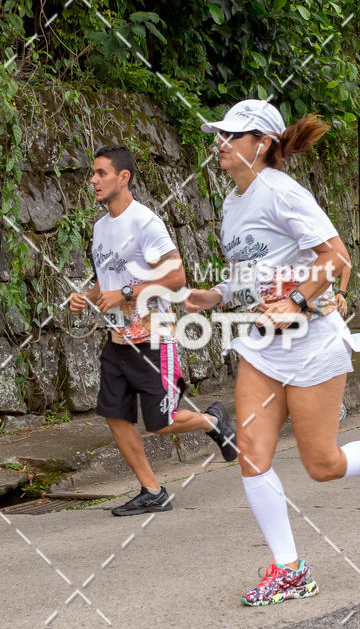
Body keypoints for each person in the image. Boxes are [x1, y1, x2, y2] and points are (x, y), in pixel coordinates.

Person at [185, 100, 360, 607]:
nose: (220, 143)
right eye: (218, 135)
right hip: (265, 347)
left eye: (232, 135)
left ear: (262, 143)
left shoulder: (281, 191)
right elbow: (254, 272)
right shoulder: (233, 202)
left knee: (323, 464)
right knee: (251, 452)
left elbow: (336, 258)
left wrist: (296, 301)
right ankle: (289, 569)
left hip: (312, 343)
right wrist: (218, 295)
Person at [69, 144, 236, 517]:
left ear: (123, 177)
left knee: (161, 423)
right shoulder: (99, 227)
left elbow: (176, 276)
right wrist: (85, 297)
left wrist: (126, 293)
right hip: (117, 340)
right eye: (92, 174)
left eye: (101, 173)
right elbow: (106, 282)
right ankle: (152, 490)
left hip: (154, 338)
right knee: (115, 416)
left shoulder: (145, 223)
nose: (93, 180)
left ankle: (213, 420)